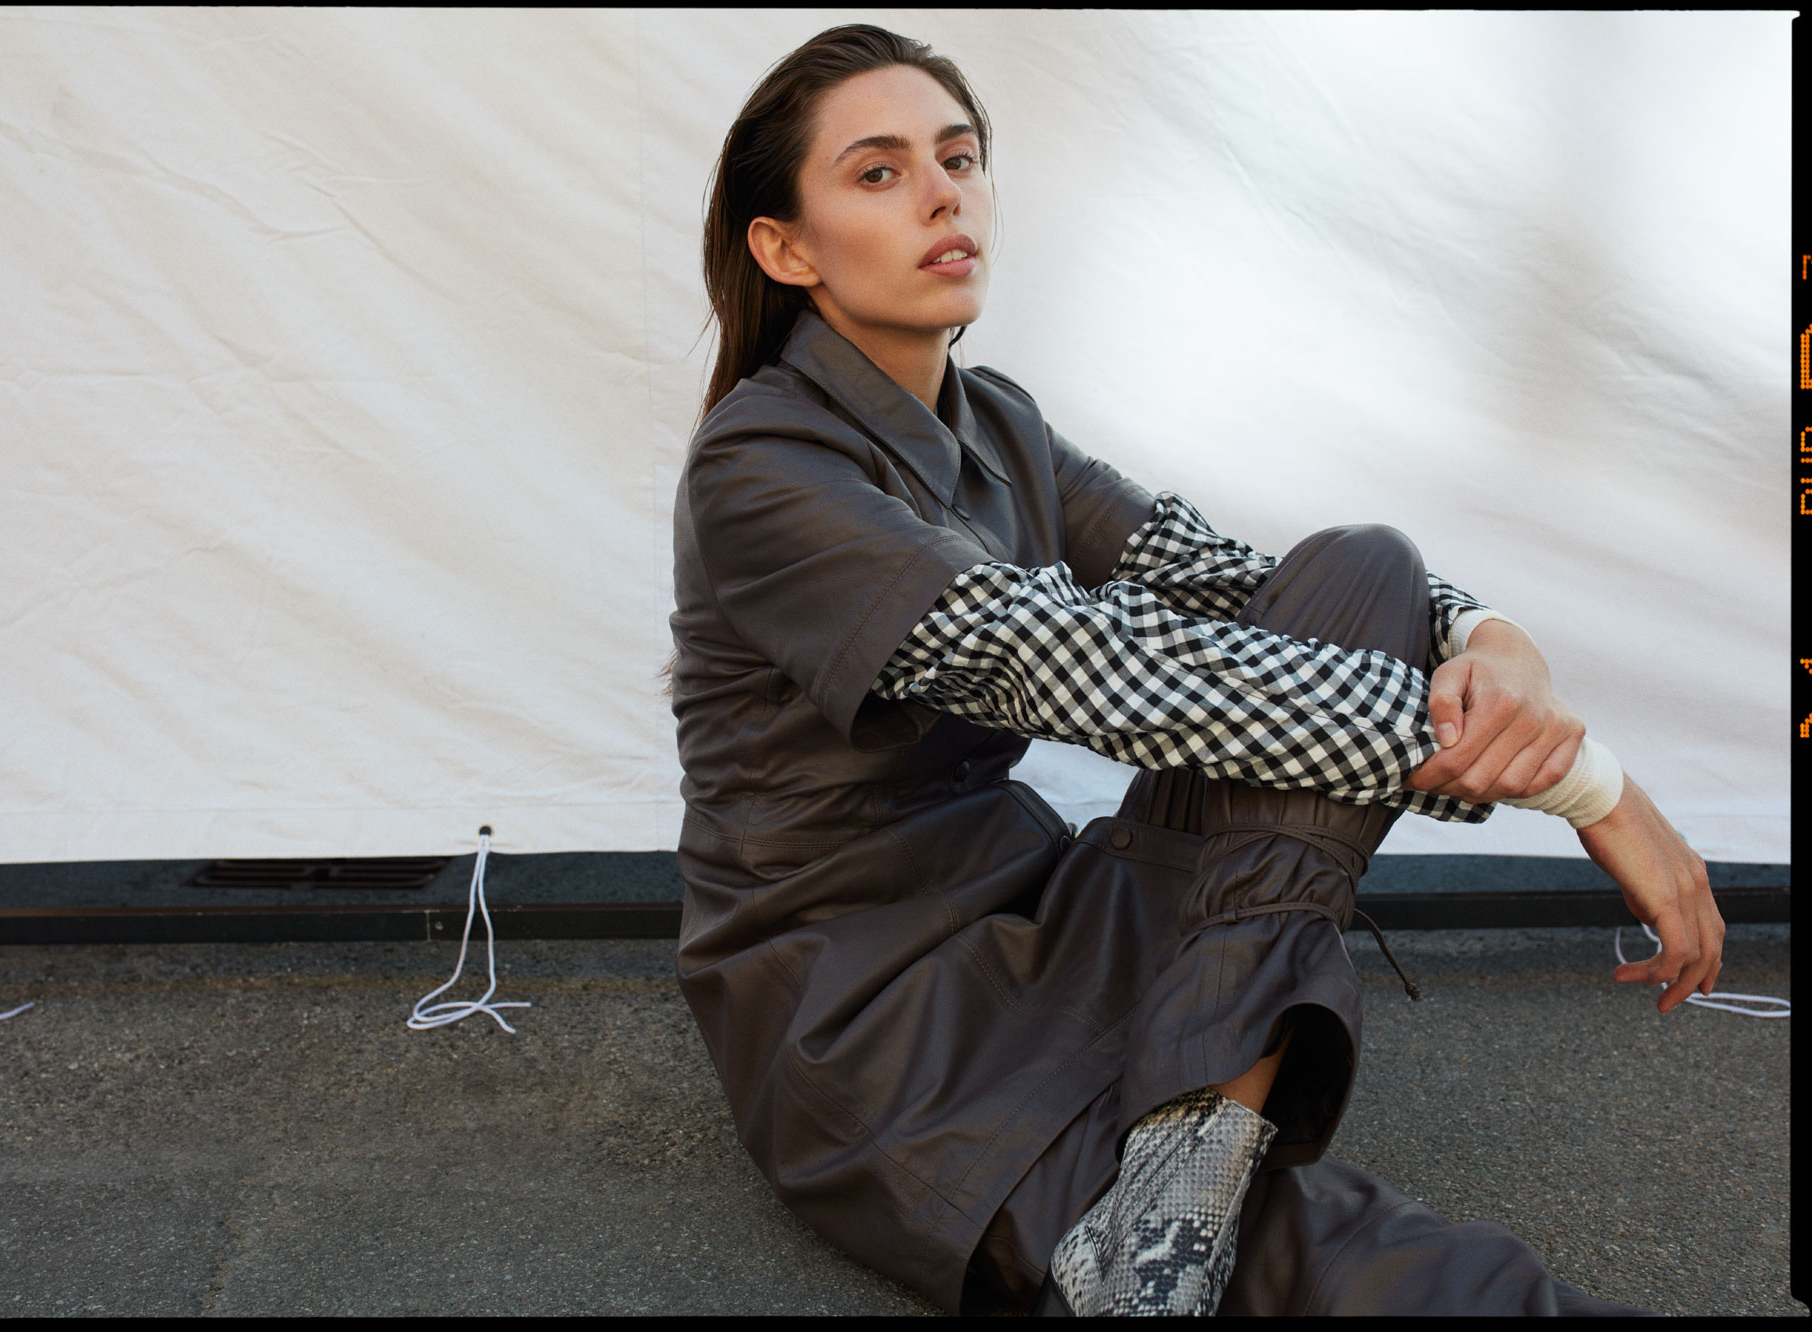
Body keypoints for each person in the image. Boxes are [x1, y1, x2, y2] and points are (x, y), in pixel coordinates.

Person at [666, 22, 1723, 1317]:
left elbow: (1241, 588)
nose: (945, 195)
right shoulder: (761, 470)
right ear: (787, 248)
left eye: (960, 157)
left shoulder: (996, 420)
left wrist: (1489, 635)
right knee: (1361, 1270)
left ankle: (1192, 1150)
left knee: (1367, 569)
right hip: (881, 1017)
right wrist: (1583, 785)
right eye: (879, 173)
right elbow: (1079, 667)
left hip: (1041, 918)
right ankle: (1173, 1215)